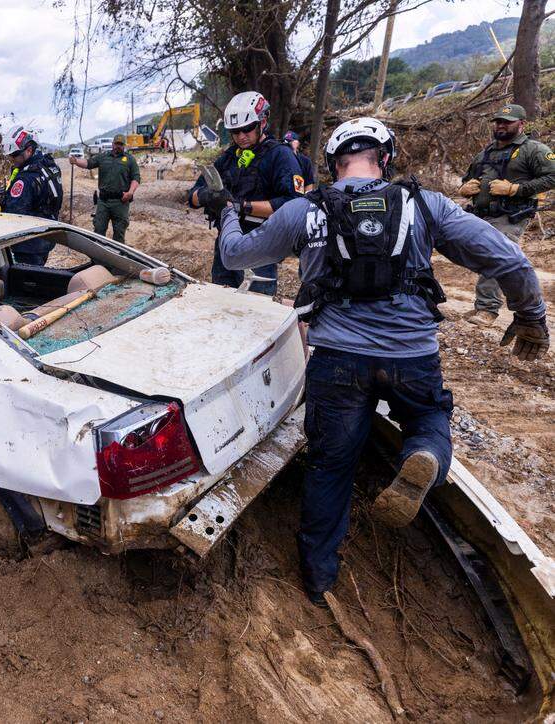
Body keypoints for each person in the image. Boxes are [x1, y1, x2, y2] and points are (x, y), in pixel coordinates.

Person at [199, 117, 549, 605]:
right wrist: (531, 317)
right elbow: (509, 260)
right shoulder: (425, 204)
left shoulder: (306, 210)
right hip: (412, 356)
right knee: (428, 418)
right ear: (386, 158)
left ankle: (319, 580)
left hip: (338, 359)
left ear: (332, 164)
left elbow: (236, 257)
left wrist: (228, 211)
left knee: (330, 465)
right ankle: (421, 453)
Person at [189, 91, 304, 296]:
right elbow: (192, 197)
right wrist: (207, 196)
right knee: (221, 303)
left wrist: (240, 206)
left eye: (247, 129)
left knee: (255, 310)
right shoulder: (229, 157)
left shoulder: (280, 156)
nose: (241, 136)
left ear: (263, 121)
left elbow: (294, 205)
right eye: (235, 131)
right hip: (225, 245)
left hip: (260, 246)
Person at [458, 103, 555, 326]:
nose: (501, 125)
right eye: (498, 121)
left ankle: (488, 310)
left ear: (521, 124)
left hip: (512, 215)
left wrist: (516, 189)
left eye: (507, 122)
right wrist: (465, 188)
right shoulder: (486, 152)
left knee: (494, 254)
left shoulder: (534, 150)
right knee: (485, 256)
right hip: (480, 214)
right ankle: (507, 300)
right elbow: (467, 178)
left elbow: (552, 177)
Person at [0, 124, 64, 264]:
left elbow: (12, 214)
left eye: (15, 154)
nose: (12, 158)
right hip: (46, 237)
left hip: (28, 244)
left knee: (27, 282)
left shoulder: (26, 178)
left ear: (29, 150)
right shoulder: (49, 165)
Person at [68, 134, 140, 243]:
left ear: (124, 146)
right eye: (116, 144)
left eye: (121, 144)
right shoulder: (103, 157)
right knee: (98, 231)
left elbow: (136, 178)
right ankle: (97, 259)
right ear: (112, 144)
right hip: (103, 202)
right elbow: (88, 163)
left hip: (121, 202)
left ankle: (116, 258)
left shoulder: (130, 160)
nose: (118, 146)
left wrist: (130, 192)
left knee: (119, 234)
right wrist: (76, 161)